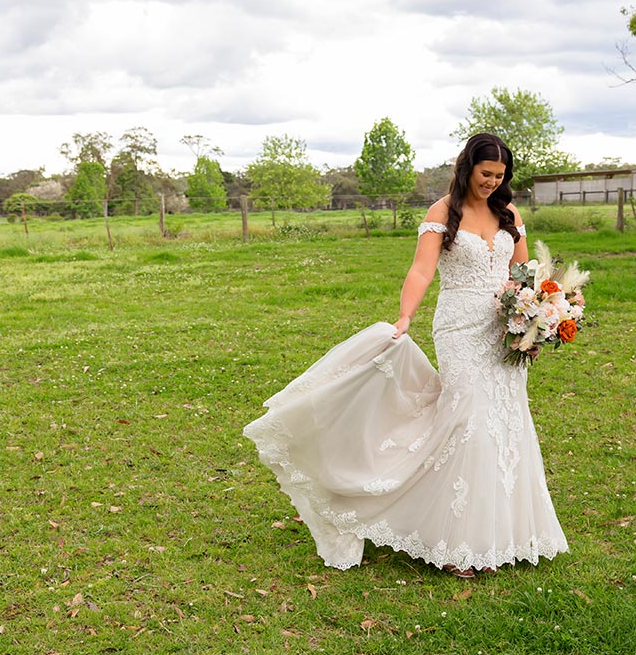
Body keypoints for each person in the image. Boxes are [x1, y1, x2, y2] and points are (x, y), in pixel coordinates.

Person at [243, 133, 568, 577]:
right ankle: (456, 544)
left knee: (504, 419)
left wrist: (541, 314)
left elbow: (523, 272)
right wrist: (404, 317)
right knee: (466, 417)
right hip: (459, 326)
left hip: (505, 328)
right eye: (485, 174)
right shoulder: (443, 211)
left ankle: (494, 537)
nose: (492, 182)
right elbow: (421, 268)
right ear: (467, 168)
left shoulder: (509, 213)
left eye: (500, 176)